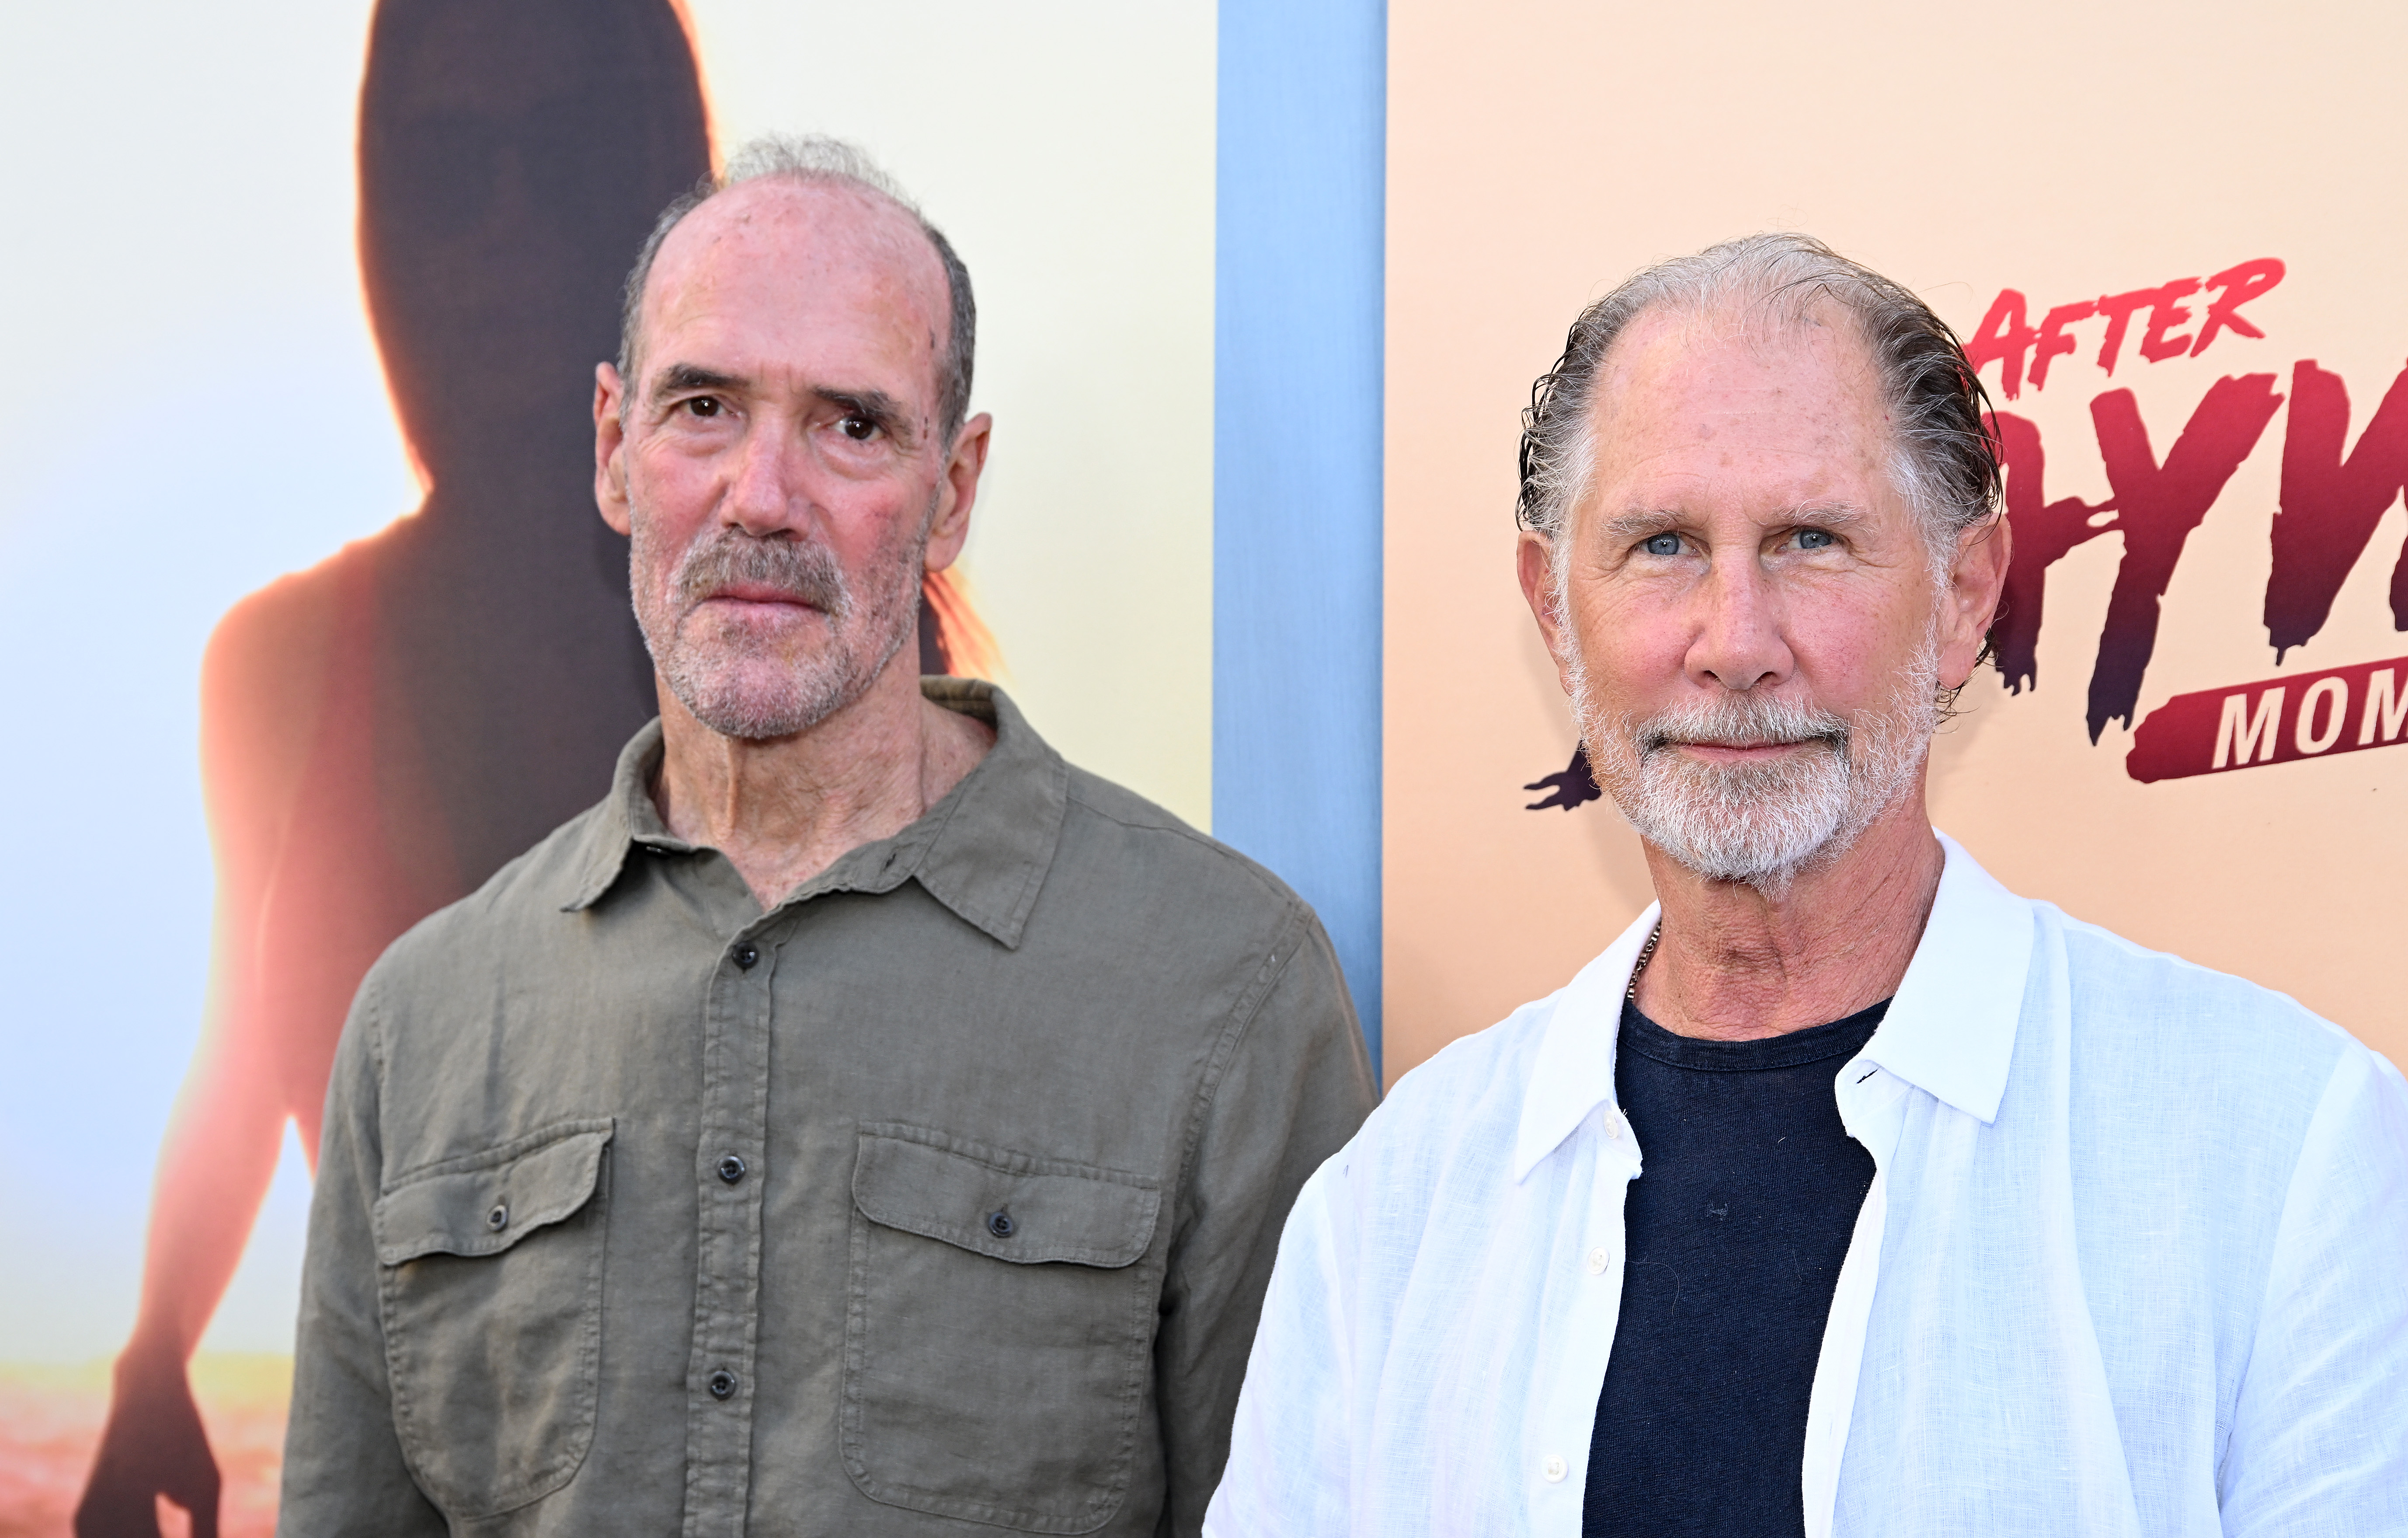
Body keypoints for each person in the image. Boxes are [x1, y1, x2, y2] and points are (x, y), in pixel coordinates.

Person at [1206, 234, 2408, 1537]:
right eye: (1661, 543)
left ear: (1962, 596)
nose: (1734, 643)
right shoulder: (1391, 1205)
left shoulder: (2283, 1155)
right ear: (1554, 612)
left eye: (1809, 541)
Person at [278, 135, 1375, 1537]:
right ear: (616, 449)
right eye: (705, 409)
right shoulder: (419, 1025)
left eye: (851, 425)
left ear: (953, 492)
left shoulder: (1225, 989)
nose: (762, 496)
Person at [75, 7, 709, 1535]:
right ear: (381, 209)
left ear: (647, 198)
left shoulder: (760, 648)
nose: (495, 225)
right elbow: (237, 1058)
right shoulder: (284, 663)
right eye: (443, 165)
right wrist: (153, 1357)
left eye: (552, 159)